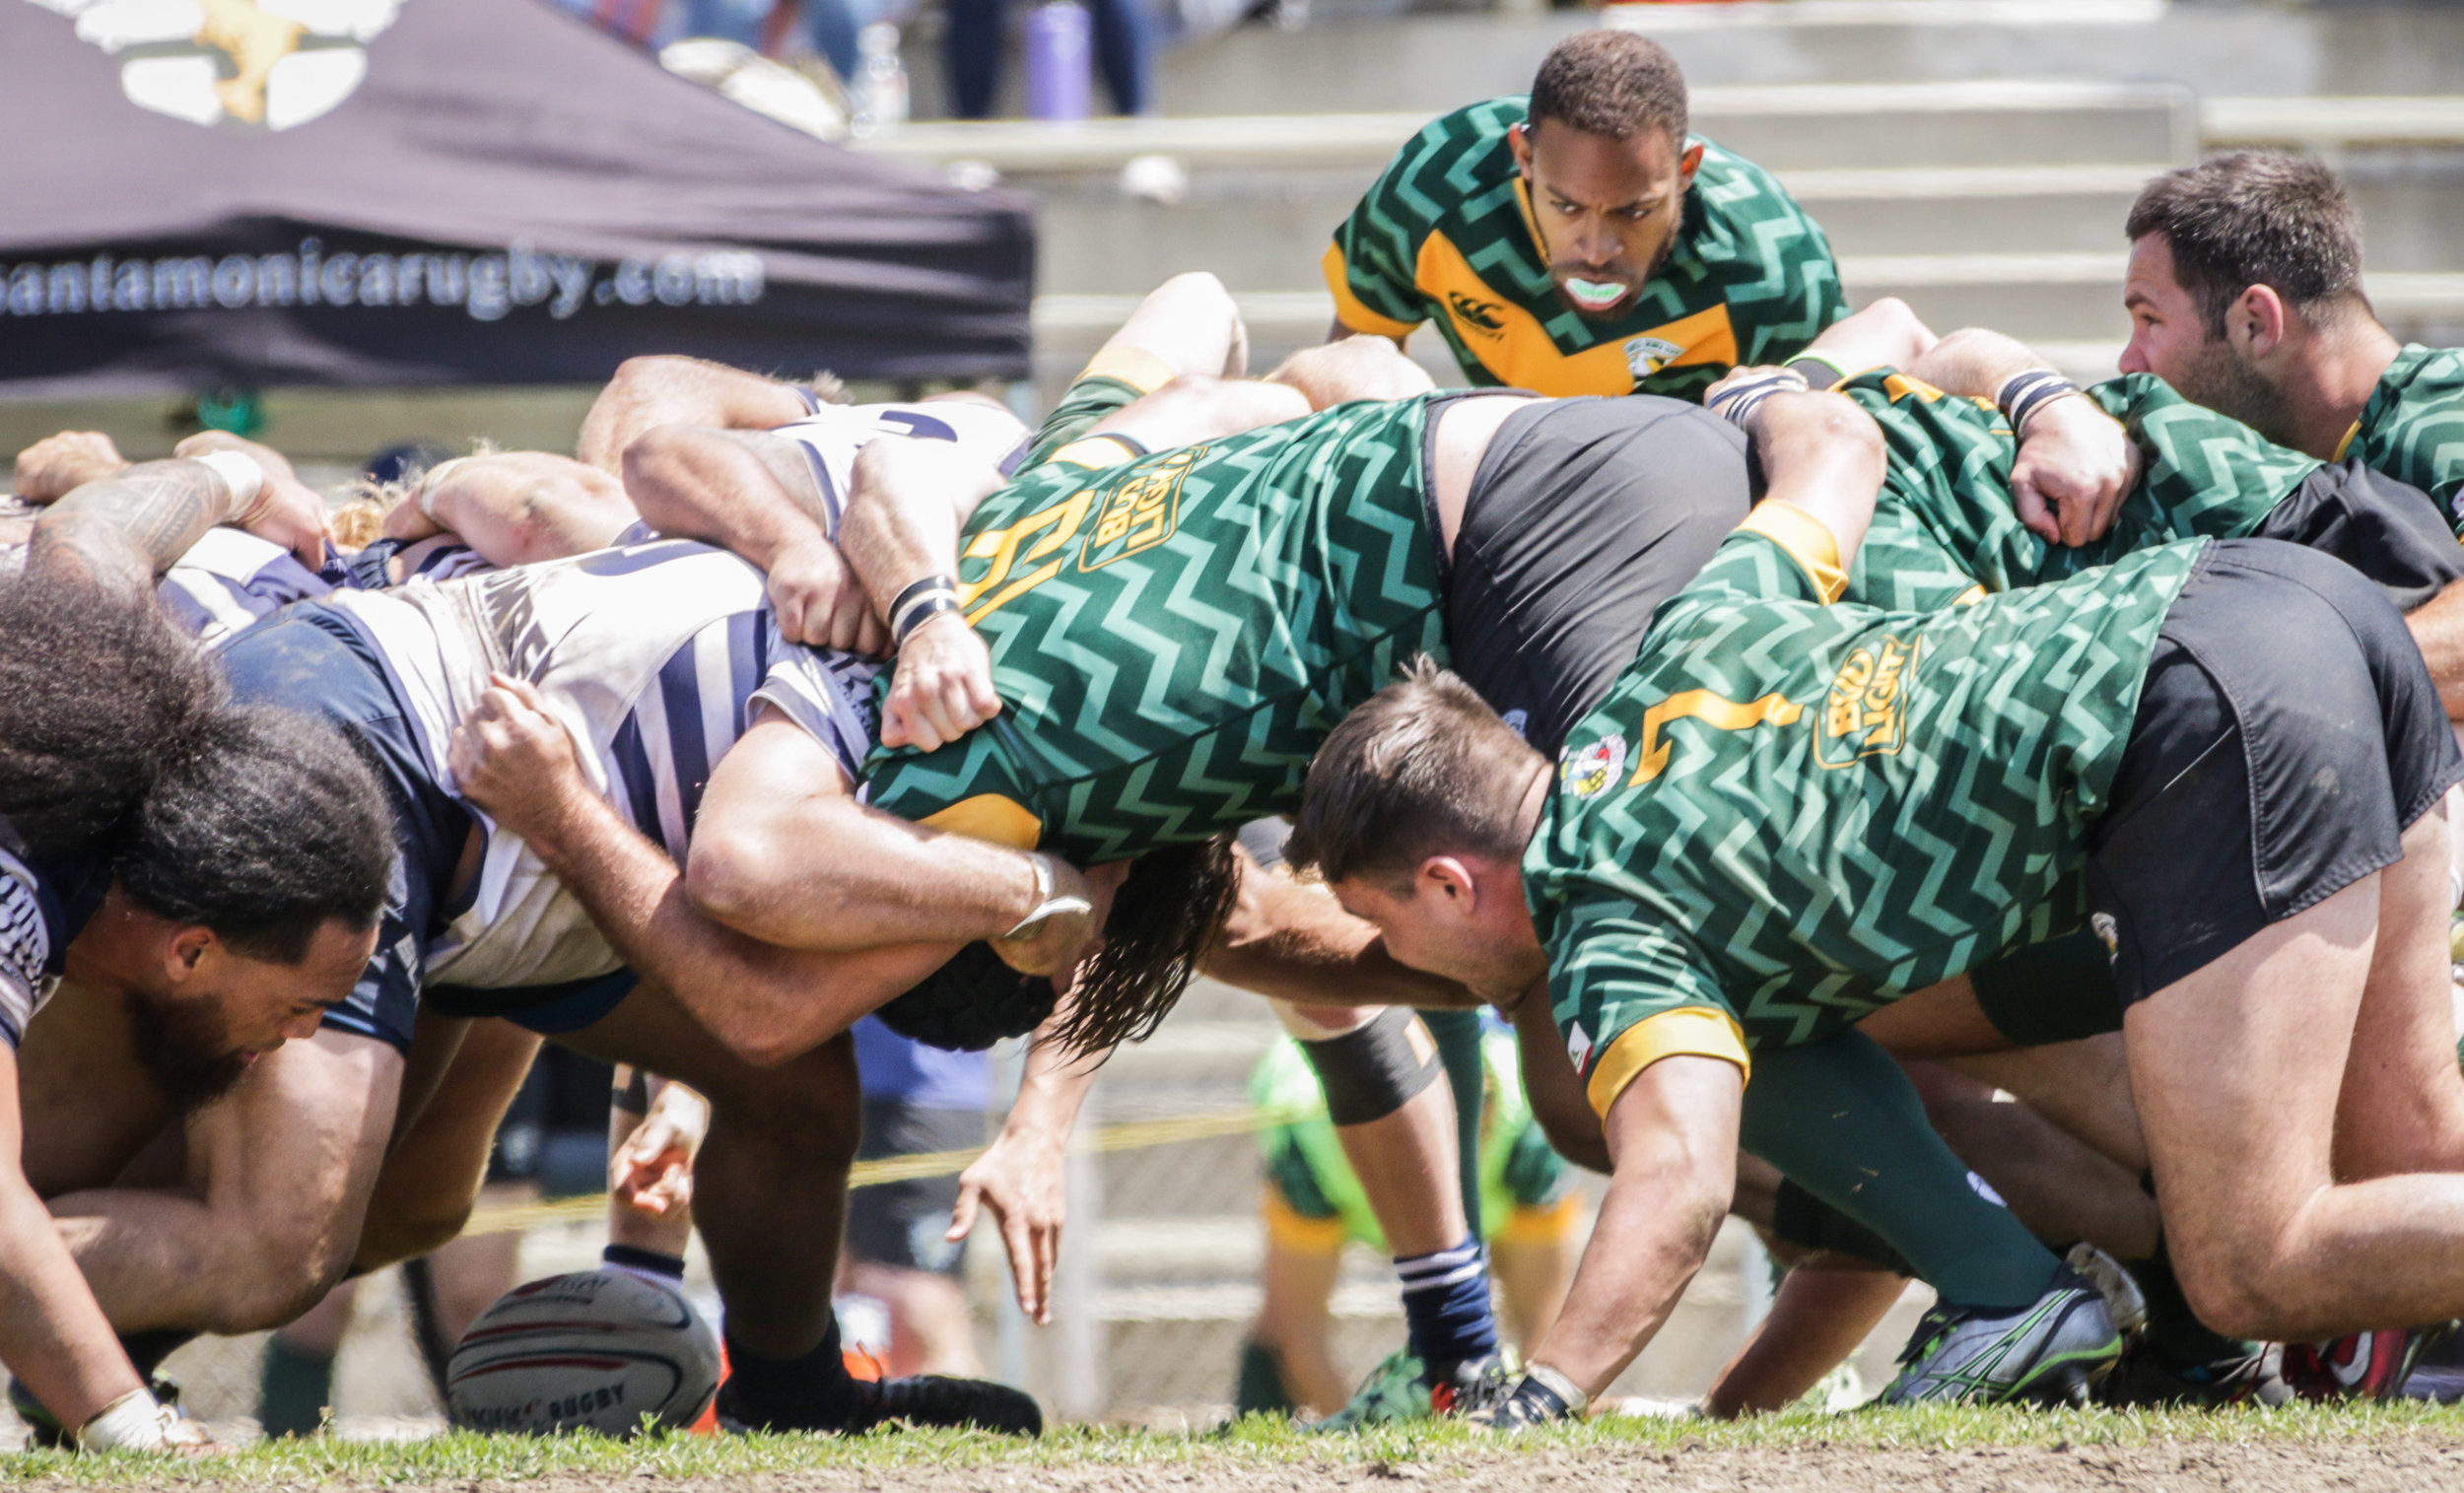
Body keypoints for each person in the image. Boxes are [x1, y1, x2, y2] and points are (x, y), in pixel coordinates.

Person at [1287, 372, 2464, 1424]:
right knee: (2411, 1156)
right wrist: (1750, 394)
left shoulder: (1596, 893)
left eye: (1388, 922)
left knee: (2258, 1261)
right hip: (2296, 605)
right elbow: (1836, 448)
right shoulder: (1676, 642)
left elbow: (1678, 1183)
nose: (1397, 957)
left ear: (1449, 880)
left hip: (2189, 711)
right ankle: (2111, 1318)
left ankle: (2174, 1316)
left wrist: (1540, 1400)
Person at [1, 455, 394, 1452]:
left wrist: (231, 477)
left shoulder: (92, 712)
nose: (298, 1041)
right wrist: (131, 1429)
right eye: (299, 1008)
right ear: (191, 953)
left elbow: (93, 533)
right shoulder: (16, 876)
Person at [1322, 31, 1862, 402]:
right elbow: (1354, 362)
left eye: (1635, 211)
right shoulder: (1433, 189)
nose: (1598, 249)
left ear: (1686, 170)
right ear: (1524, 158)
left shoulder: (1775, 272)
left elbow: (1820, 444)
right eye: (1568, 207)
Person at [1235, 1022, 1576, 1421]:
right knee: (1275, 1331)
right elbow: (1299, 1331)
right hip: (1321, 1126)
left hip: (1498, 1163)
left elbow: (1544, 1325)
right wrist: (1356, 1430)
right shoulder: (1307, 1144)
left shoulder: (1527, 1135)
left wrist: (1525, 1415)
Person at [839, 1018, 993, 1379]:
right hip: (845, 1085)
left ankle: (965, 1422)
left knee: (918, 1302)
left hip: (925, 1102)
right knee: (852, 1284)